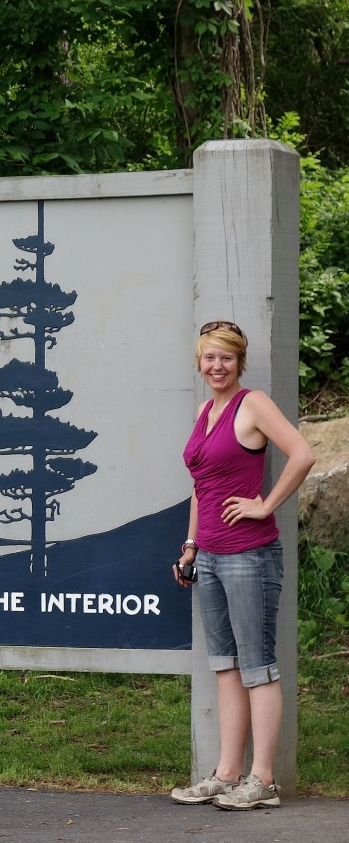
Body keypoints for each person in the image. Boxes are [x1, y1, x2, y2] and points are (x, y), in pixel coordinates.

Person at [169, 320, 314, 810]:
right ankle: (228, 774)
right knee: (226, 668)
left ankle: (263, 780)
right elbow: (201, 487)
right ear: (199, 361)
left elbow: (302, 454)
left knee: (258, 667)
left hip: (249, 555)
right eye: (209, 357)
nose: (217, 366)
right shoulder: (205, 410)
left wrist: (265, 504)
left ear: (239, 362)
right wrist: (190, 545)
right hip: (207, 555)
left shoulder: (252, 404)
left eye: (226, 357)